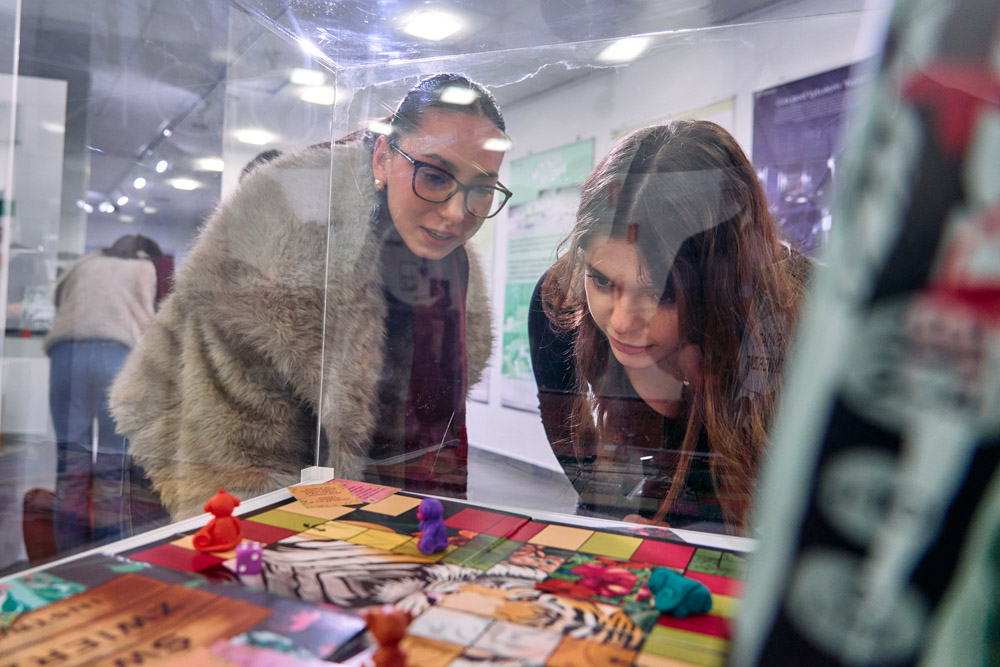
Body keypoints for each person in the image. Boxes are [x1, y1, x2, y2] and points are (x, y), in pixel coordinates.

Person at [111, 73, 511, 519]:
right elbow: (235, 461)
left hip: (381, 503)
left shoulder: (450, 264)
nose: (456, 213)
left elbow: (435, 430)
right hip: (252, 494)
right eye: (434, 176)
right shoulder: (283, 233)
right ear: (383, 158)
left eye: (482, 189)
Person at [530, 121, 809, 534]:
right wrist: (615, 516)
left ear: (722, 283)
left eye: (659, 294)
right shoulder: (561, 298)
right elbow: (572, 442)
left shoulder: (804, 315)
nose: (621, 323)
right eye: (602, 281)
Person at [44, 234, 166, 551]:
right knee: (113, 470)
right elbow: (164, 319)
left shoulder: (87, 262)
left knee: (70, 464)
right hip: (118, 356)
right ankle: (109, 555)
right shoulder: (148, 267)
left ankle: (66, 555)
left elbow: (56, 298)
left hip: (67, 355)